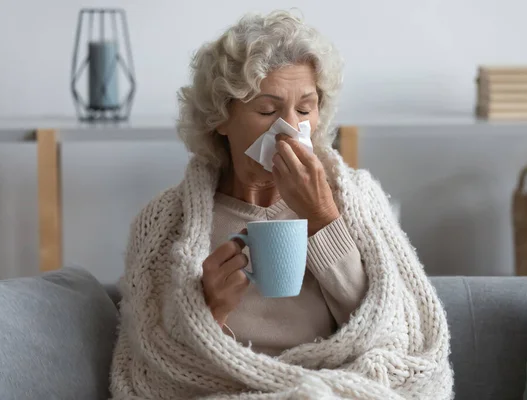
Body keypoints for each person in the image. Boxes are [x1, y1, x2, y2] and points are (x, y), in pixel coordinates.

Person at [110, 10, 453, 400]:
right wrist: (209, 312)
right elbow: (160, 367)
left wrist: (322, 217)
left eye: (304, 109)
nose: (289, 129)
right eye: (268, 111)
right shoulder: (165, 223)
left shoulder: (353, 199)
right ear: (220, 118)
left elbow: (396, 333)